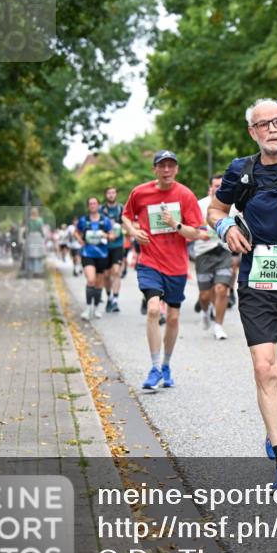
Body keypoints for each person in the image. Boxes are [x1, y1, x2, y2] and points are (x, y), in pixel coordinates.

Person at [208, 98, 277, 491]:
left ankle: (275, 420)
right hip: (257, 278)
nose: (271, 129)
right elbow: (215, 208)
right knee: (265, 369)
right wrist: (225, 228)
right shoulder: (241, 171)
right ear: (252, 132)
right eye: (262, 124)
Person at [121, 150, 203, 390]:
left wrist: (175, 224)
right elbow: (125, 216)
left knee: (174, 317)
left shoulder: (185, 195)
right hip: (150, 262)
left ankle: (166, 364)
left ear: (176, 169)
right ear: (155, 169)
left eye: (171, 166)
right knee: (154, 309)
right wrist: (133, 231)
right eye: (162, 166)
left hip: (176, 265)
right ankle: (155, 367)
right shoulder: (140, 192)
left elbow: (195, 231)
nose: (167, 170)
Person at [194, 174, 237, 340]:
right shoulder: (200, 205)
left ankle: (218, 326)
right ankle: (205, 312)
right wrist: (199, 233)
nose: (219, 188)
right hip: (204, 251)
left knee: (221, 289)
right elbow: (192, 226)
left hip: (224, 250)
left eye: (221, 185)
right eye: (216, 186)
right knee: (205, 295)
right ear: (210, 187)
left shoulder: (230, 206)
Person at [75, 197, 113, 320]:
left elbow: (112, 235)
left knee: (99, 282)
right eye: (90, 203)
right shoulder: (84, 220)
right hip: (88, 253)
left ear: (98, 205)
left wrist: (106, 235)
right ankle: (87, 309)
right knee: (91, 280)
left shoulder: (105, 220)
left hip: (102, 254)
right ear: (88, 206)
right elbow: (76, 231)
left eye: (94, 203)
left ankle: (96, 308)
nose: (92, 205)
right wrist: (80, 239)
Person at [100, 187, 126, 312]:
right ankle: (109, 297)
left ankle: (115, 300)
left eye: (113, 192)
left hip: (117, 245)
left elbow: (128, 223)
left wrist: (120, 227)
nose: (111, 195)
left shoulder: (121, 209)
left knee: (116, 272)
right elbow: (97, 225)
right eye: (108, 193)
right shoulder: (101, 210)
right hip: (104, 246)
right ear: (105, 195)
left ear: (116, 194)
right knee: (106, 274)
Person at [24, 207, 47, 277]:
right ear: (37, 213)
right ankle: (37, 271)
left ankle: (31, 269)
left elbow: (26, 230)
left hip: (30, 237)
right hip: (38, 237)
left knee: (30, 255)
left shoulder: (28, 220)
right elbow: (41, 229)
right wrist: (43, 236)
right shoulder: (40, 220)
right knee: (38, 256)